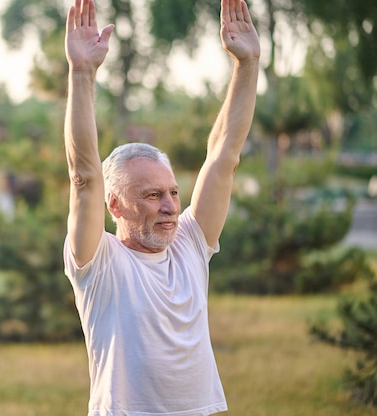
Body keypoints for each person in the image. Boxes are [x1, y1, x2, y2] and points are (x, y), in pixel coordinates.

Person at [62, 0, 260, 414]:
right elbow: (83, 175)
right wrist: (82, 74)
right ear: (114, 204)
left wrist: (248, 66)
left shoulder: (190, 241)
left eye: (172, 192)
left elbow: (224, 156)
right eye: (152, 195)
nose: (170, 206)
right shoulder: (99, 264)